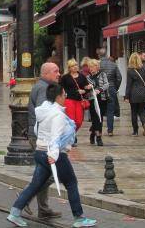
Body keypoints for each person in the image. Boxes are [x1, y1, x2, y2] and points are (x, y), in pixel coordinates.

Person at [7, 83, 97, 228]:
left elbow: (37, 131)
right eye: (64, 95)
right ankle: (79, 218)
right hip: (54, 154)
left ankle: (15, 212)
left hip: (40, 151)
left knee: (35, 185)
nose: (65, 97)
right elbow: (55, 137)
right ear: (58, 97)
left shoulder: (43, 111)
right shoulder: (58, 115)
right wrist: (54, 155)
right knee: (71, 183)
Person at [25, 62, 62, 220]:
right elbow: (44, 113)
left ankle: (43, 209)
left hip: (39, 136)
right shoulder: (44, 88)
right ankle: (27, 197)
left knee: (42, 172)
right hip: (42, 137)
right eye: (55, 71)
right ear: (45, 73)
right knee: (53, 173)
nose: (59, 74)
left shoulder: (43, 86)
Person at [60, 59, 92, 144]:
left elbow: (86, 87)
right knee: (72, 120)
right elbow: (61, 89)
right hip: (69, 100)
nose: (75, 67)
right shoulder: (65, 77)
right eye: (73, 66)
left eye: (76, 65)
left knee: (79, 121)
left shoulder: (82, 76)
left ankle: (72, 133)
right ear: (69, 68)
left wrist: (85, 90)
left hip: (79, 101)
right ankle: (72, 137)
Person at [125, 52, 145, 136]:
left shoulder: (130, 70)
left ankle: (135, 131)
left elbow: (128, 84)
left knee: (134, 112)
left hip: (134, 94)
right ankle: (144, 123)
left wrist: (126, 96)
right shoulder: (144, 68)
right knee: (142, 111)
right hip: (143, 93)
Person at [85, 58, 109, 146]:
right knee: (96, 118)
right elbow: (85, 89)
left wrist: (99, 89)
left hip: (102, 99)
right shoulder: (87, 77)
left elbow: (107, 84)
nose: (91, 68)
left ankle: (93, 133)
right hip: (92, 100)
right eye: (90, 67)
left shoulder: (102, 74)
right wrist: (87, 88)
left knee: (100, 118)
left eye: (93, 66)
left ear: (97, 67)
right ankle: (99, 137)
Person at [98, 47, 121, 135]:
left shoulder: (97, 65)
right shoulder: (113, 64)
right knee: (110, 111)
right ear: (107, 54)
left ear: (99, 55)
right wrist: (116, 87)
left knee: (99, 110)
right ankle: (110, 130)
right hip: (111, 88)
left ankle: (99, 130)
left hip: (100, 89)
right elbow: (119, 77)